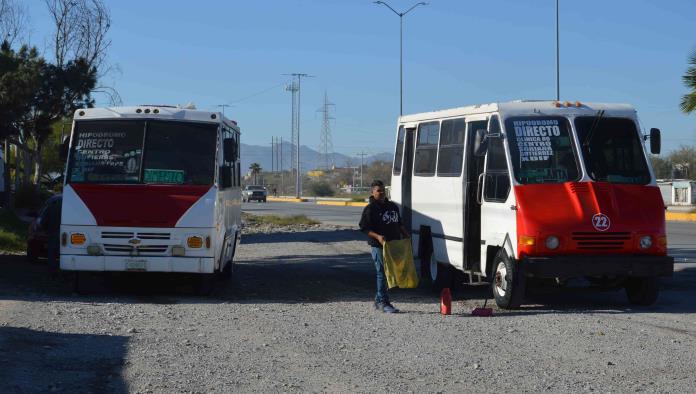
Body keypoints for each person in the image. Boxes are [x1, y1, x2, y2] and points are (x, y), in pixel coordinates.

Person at [359, 179, 410, 313]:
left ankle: (378, 299)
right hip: (378, 246)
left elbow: (399, 223)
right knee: (382, 273)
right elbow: (364, 228)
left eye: (383, 190)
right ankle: (383, 302)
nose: (381, 193)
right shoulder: (370, 209)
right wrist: (378, 237)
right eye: (378, 191)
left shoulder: (392, 206)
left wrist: (406, 235)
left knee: (390, 273)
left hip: (393, 245)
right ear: (372, 192)